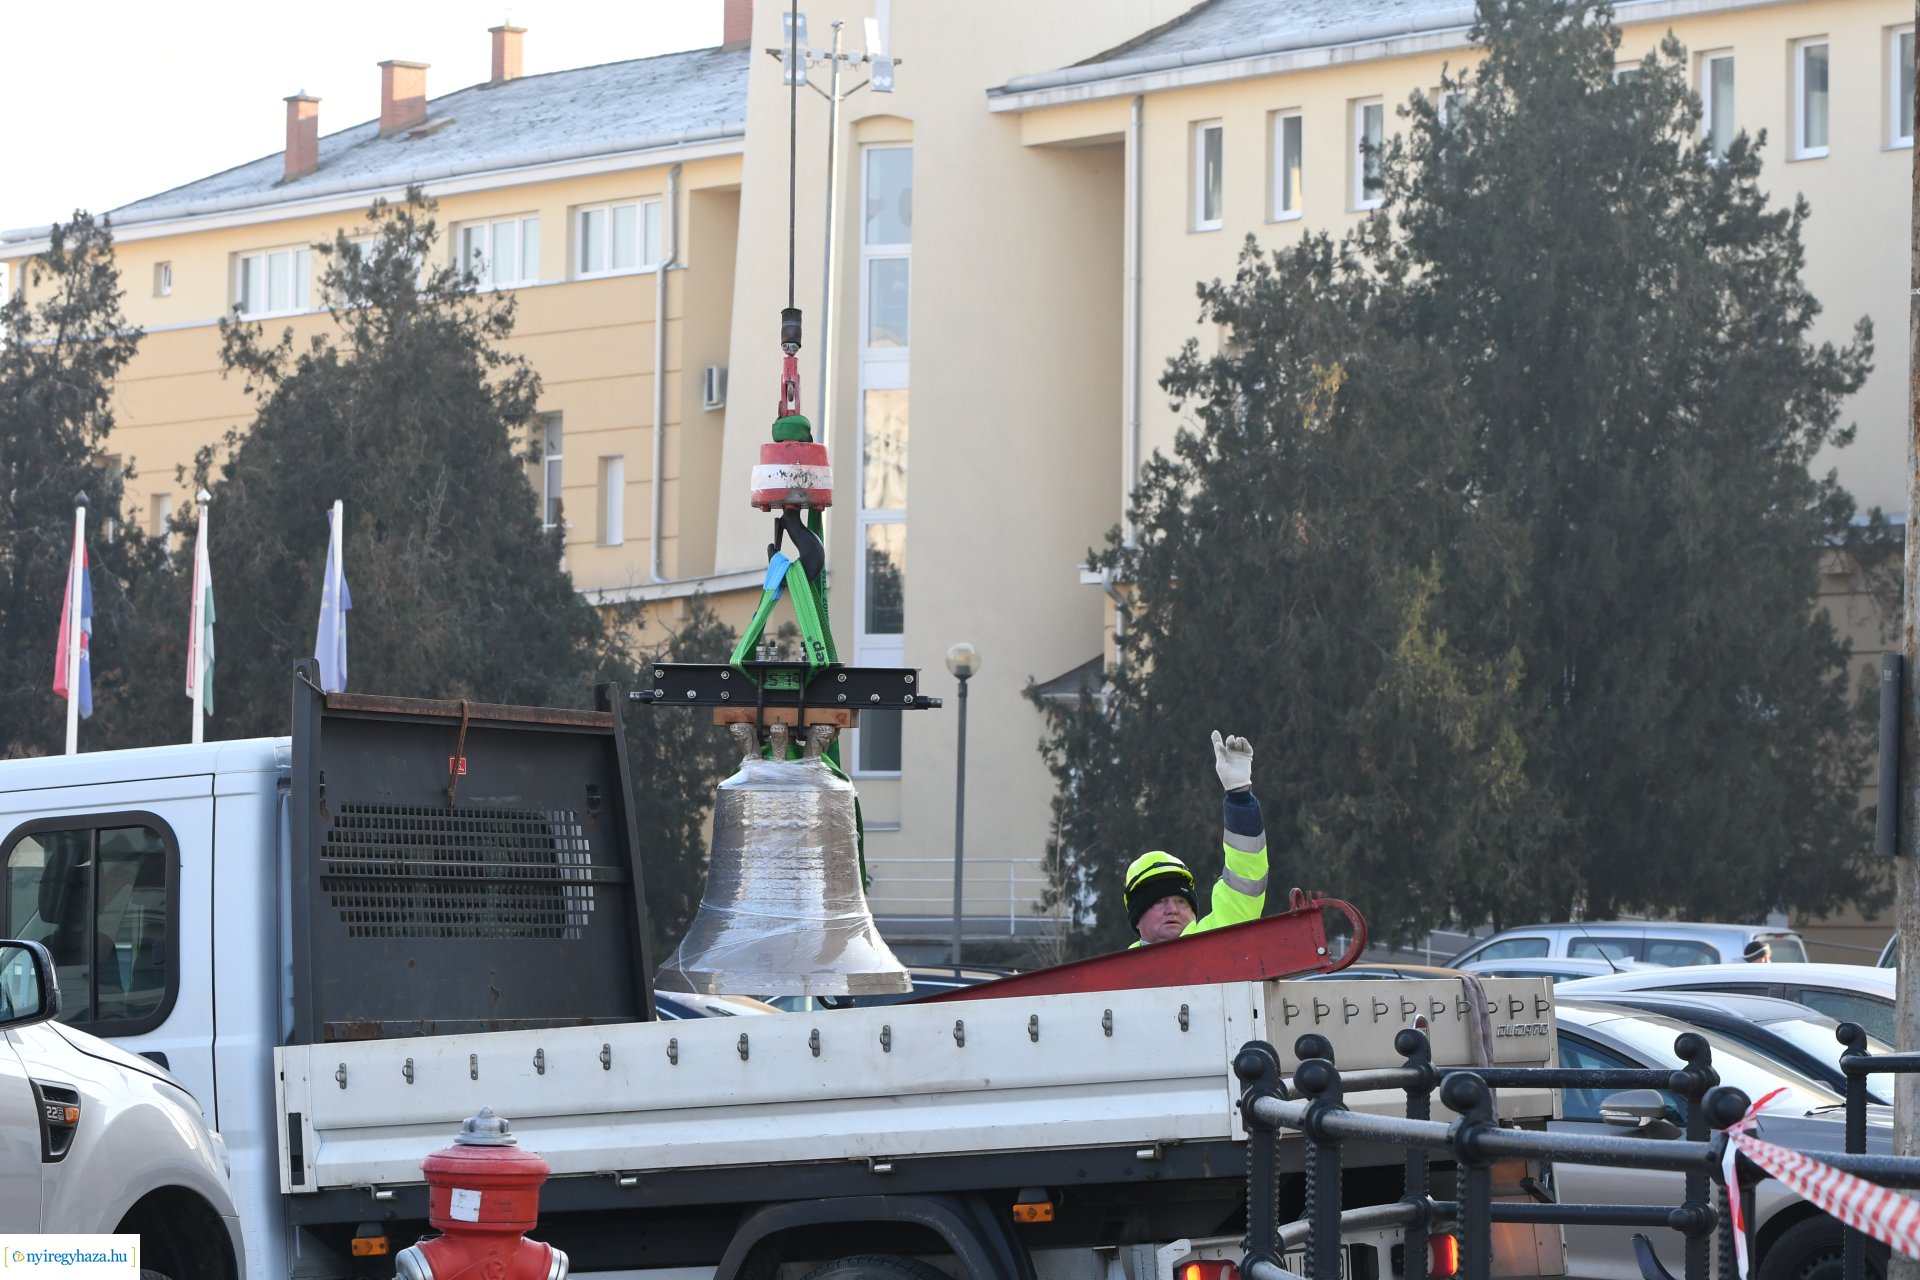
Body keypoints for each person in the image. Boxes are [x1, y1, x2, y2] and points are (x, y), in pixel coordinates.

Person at [1124, 731, 1268, 947]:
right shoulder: (1118, 976)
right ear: (1137, 918)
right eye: (1159, 901)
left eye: (1181, 901)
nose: (1172, 909)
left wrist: (1239, 797)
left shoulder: (1211, 943)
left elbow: (1245, 880)